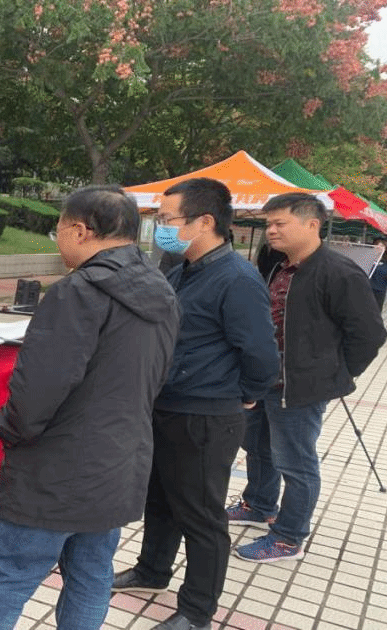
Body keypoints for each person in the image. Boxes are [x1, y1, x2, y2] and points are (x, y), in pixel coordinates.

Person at [0, 187, 180, 630]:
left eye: (57, 228)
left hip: (56, 473)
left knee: (3, 577)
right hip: (120, 462)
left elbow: (37, 391)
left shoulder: (77, 291)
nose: (57, 238)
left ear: (79, 231)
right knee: (90, 574)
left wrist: (10, 430)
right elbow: (157, 377)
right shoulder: (161, 288)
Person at [112, 179, 280, 630]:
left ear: (205, 221)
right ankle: (152, 570)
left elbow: (262, 355)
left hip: (206, 415)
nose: (161, 228)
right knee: (161, 498)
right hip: (165, 405)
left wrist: (244, 394)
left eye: (167, 220)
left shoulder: (236, 279)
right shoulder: (182, 270)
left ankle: (196, 610)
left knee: (200, 515)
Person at [229, 193, 386, 562]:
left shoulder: (339, 272)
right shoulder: (279, 265)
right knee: (258, 447)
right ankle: (258, 504)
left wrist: (333, 373)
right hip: (264, 380)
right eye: (268, 224)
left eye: (279, 223)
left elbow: (369, 334)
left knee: (295, 463)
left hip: (301, 387)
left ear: (311, 224)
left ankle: (288, 536)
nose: (271, 231)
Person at [369, 242, 387, 313]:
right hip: (366, 288)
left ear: (385, 249)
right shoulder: (368, 259)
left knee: (376, 311)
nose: (378, 247)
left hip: (379, 290)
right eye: (376, 245)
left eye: (381, 246)